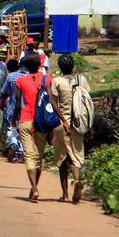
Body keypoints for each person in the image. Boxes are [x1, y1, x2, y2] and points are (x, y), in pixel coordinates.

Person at [13, 53, 68, 202]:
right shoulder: (46, 79)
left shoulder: (20, 80)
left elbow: (18, 104)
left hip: (25, 120)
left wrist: (13, 120)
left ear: (25, 66)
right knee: (39, 156)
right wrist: (63, 120)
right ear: (40, 65)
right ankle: (34, 188)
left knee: (29, 156)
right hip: (41, 123)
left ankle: (35, 189)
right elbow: (51, 101)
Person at [50, 54, 91, 203]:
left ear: (60, 68)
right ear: (73, 66)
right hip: (79, 124)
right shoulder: (82, 80)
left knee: (62, 158)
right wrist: (89, 126)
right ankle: (77, 179)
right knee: (75, 155)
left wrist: (63, 121)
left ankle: (65, 195)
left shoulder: (56, 81)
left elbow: (54, 104)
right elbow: (87, 103)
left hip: (63, 124)